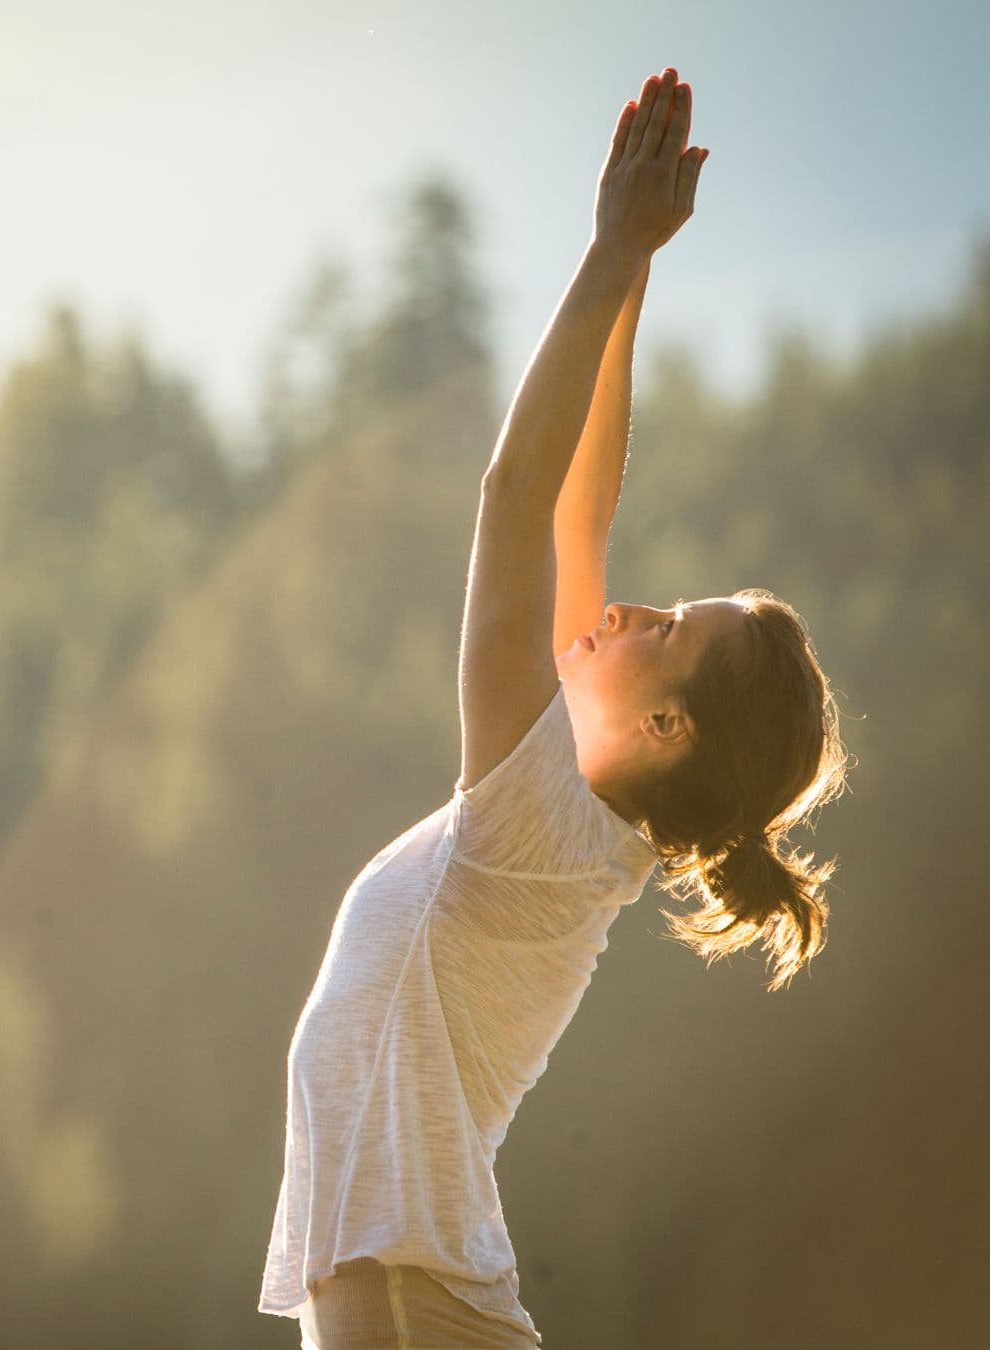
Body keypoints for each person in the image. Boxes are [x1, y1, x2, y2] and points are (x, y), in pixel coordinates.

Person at [257, 65, 850, 1348]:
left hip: (408, 1301)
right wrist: (633, 279)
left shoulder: (542, 822)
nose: (630, 608)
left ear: (668, 729)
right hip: (409, 1294)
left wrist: (609, 252)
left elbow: (517, 498)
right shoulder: (573, 816)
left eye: (668, 631)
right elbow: (579, 515)